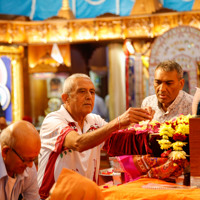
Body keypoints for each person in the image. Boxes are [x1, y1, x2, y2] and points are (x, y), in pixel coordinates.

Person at [37, 73, 154, 199]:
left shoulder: (95, 120)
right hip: (56, 197)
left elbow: (117, 142)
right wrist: (119, 122)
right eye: (82, 91)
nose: (89, 97)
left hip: (85, 196)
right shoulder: (53, 120)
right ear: (66, 98)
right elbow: (78, 143)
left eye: (92, 92)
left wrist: (146, 126)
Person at [0, 120, 41, 200]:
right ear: (5, 151)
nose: (30, 165)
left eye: (33, 159)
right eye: (25, 159)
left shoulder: (28, 168)